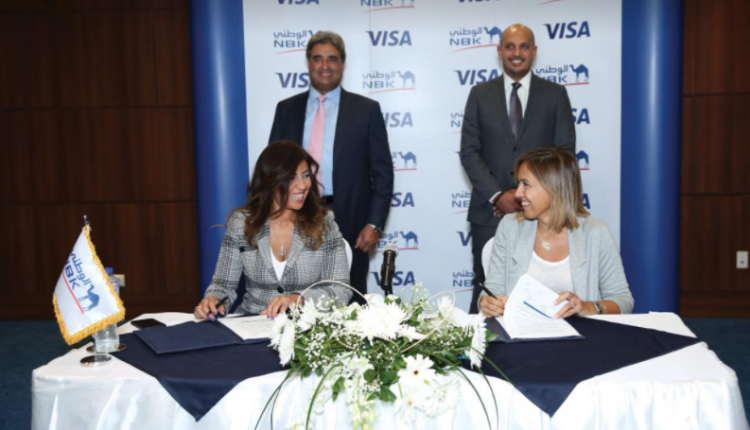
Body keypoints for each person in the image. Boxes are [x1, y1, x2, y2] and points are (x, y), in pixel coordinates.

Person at [269, 31, 393, 304]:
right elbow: (273, 171)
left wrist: (374, 224)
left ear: (342, 64)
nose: (325, 65)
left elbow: (383, 174)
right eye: (318, 58)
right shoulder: (286, 110)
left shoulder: (366, 110)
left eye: (332, 59)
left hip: (351, 219)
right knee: (295, 294)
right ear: (309, 63)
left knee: (351, 297)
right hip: (296, 214)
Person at [460, 23, 576, 313]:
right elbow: (469, 152)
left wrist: (529, 195)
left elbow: (564, 155)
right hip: (489, 212)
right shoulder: (479, 94)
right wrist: (498, 195)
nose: (517, 53)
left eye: (524, 46)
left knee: (539, 288)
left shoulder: (555, 94)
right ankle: (481, 343)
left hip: (544, 213)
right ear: (499, 51)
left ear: (534, 52)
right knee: (486, 290)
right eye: (510, 46)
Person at [194, 141, 351, 319]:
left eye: (306, 175)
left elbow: (341, 291)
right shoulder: (242, 223)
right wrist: (213, 301)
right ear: (270, 181)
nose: (302, 185)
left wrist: (301, 299)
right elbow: (223, 286)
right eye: (291, 177)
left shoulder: (324, 223)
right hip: (251, 323)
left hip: (306, 325)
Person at [478, 148, 633, 318]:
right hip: (520, 333)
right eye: (519, 184)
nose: (517, 193)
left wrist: (589, 307)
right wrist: (487, 302)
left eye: (525, 184)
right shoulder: (510, 227)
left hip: (581, 334)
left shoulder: (595, 232)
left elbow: (623, 300)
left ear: (553, 187)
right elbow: (492, 290)